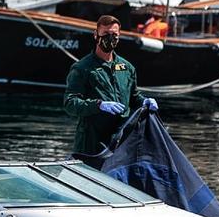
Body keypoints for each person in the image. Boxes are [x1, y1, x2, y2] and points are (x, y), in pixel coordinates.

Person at [63, 15, 158, 160]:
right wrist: (99, 105)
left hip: (120, 143)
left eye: (114, 35)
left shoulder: (127, 68)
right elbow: (70, 104)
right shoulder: (82, 68)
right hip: (91, 143)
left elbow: (133, 97)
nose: (110, 38)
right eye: (106, 34)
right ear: (96, 35)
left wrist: (144, 101)